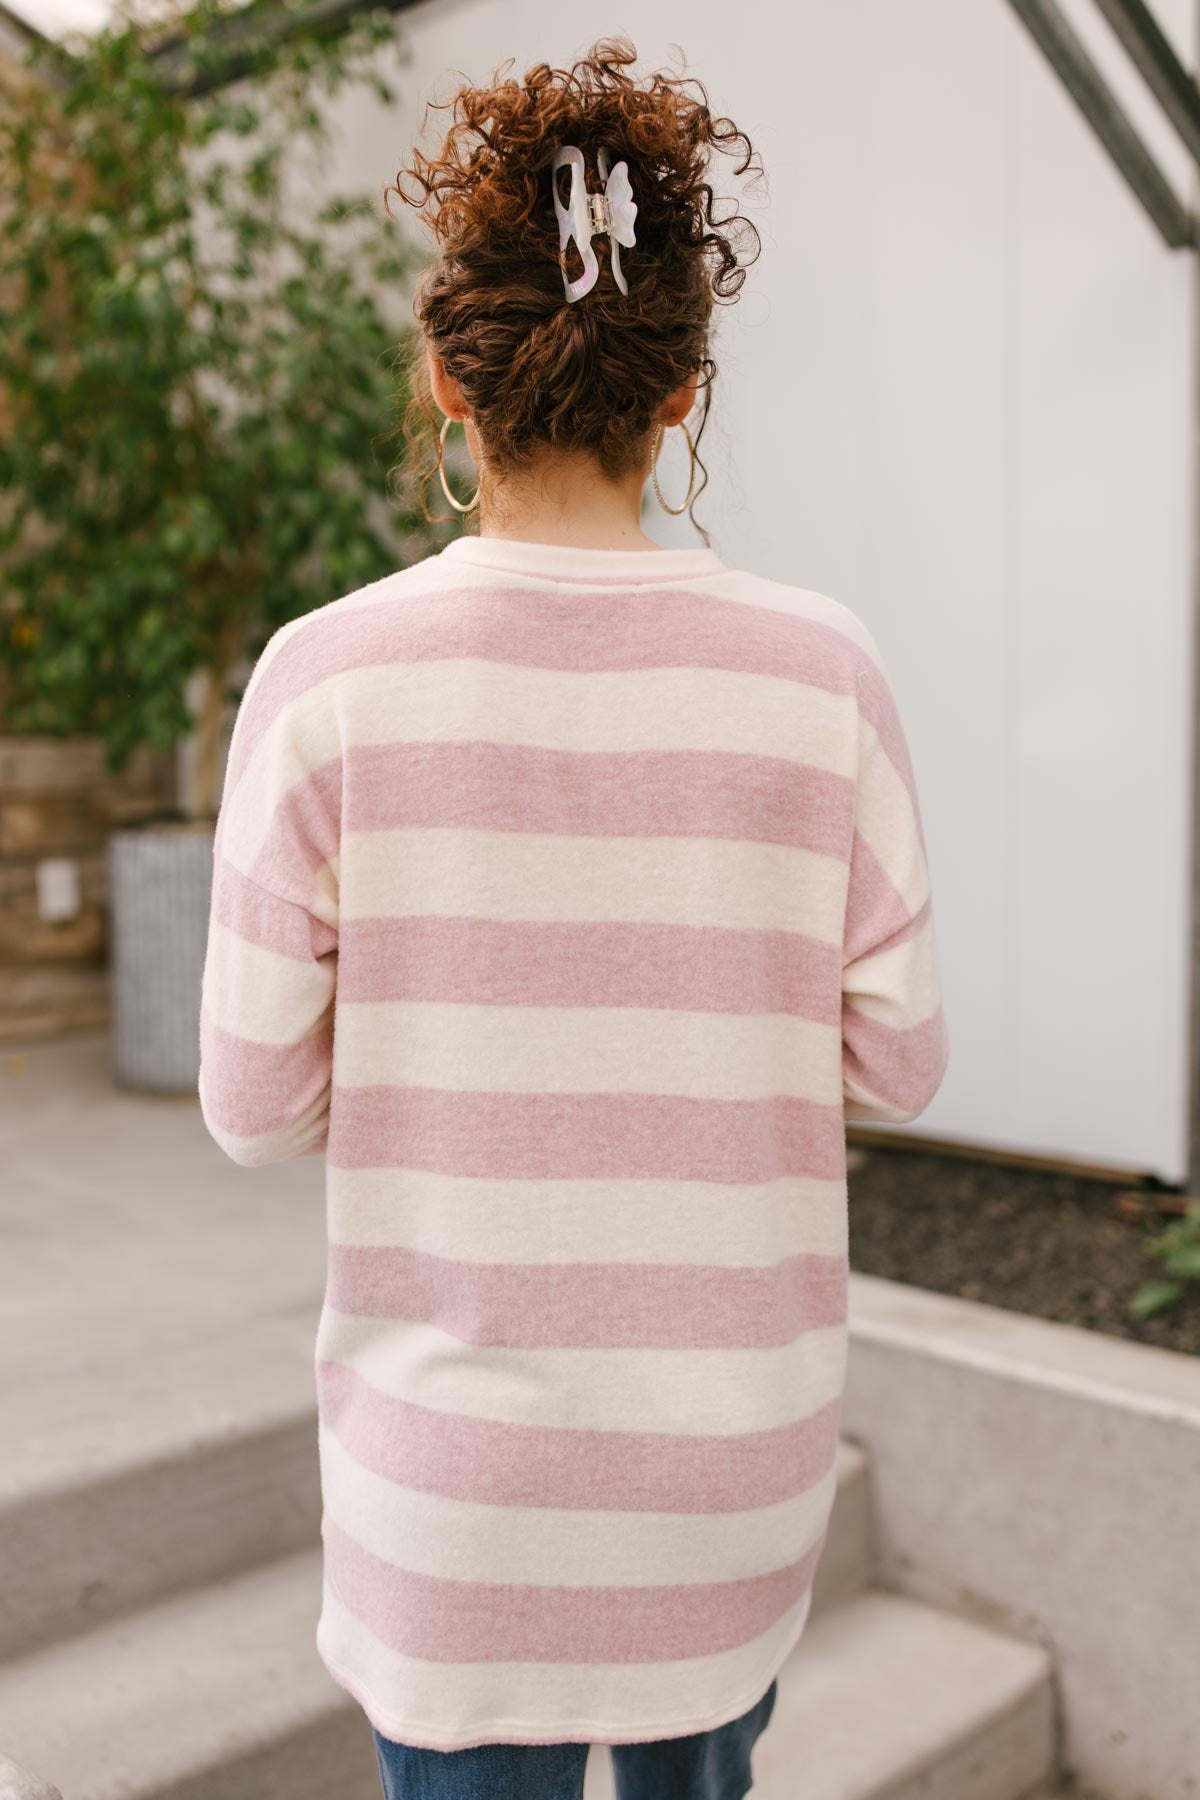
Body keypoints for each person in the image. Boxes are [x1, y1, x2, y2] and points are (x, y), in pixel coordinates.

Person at [197, 35, 950, 1800]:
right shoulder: (822, 674)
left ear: (446, 380)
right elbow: (898, 1069)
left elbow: (251, 1105)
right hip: (725, 1473)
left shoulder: (324, 681)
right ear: (680, 392)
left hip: (452, 1500)